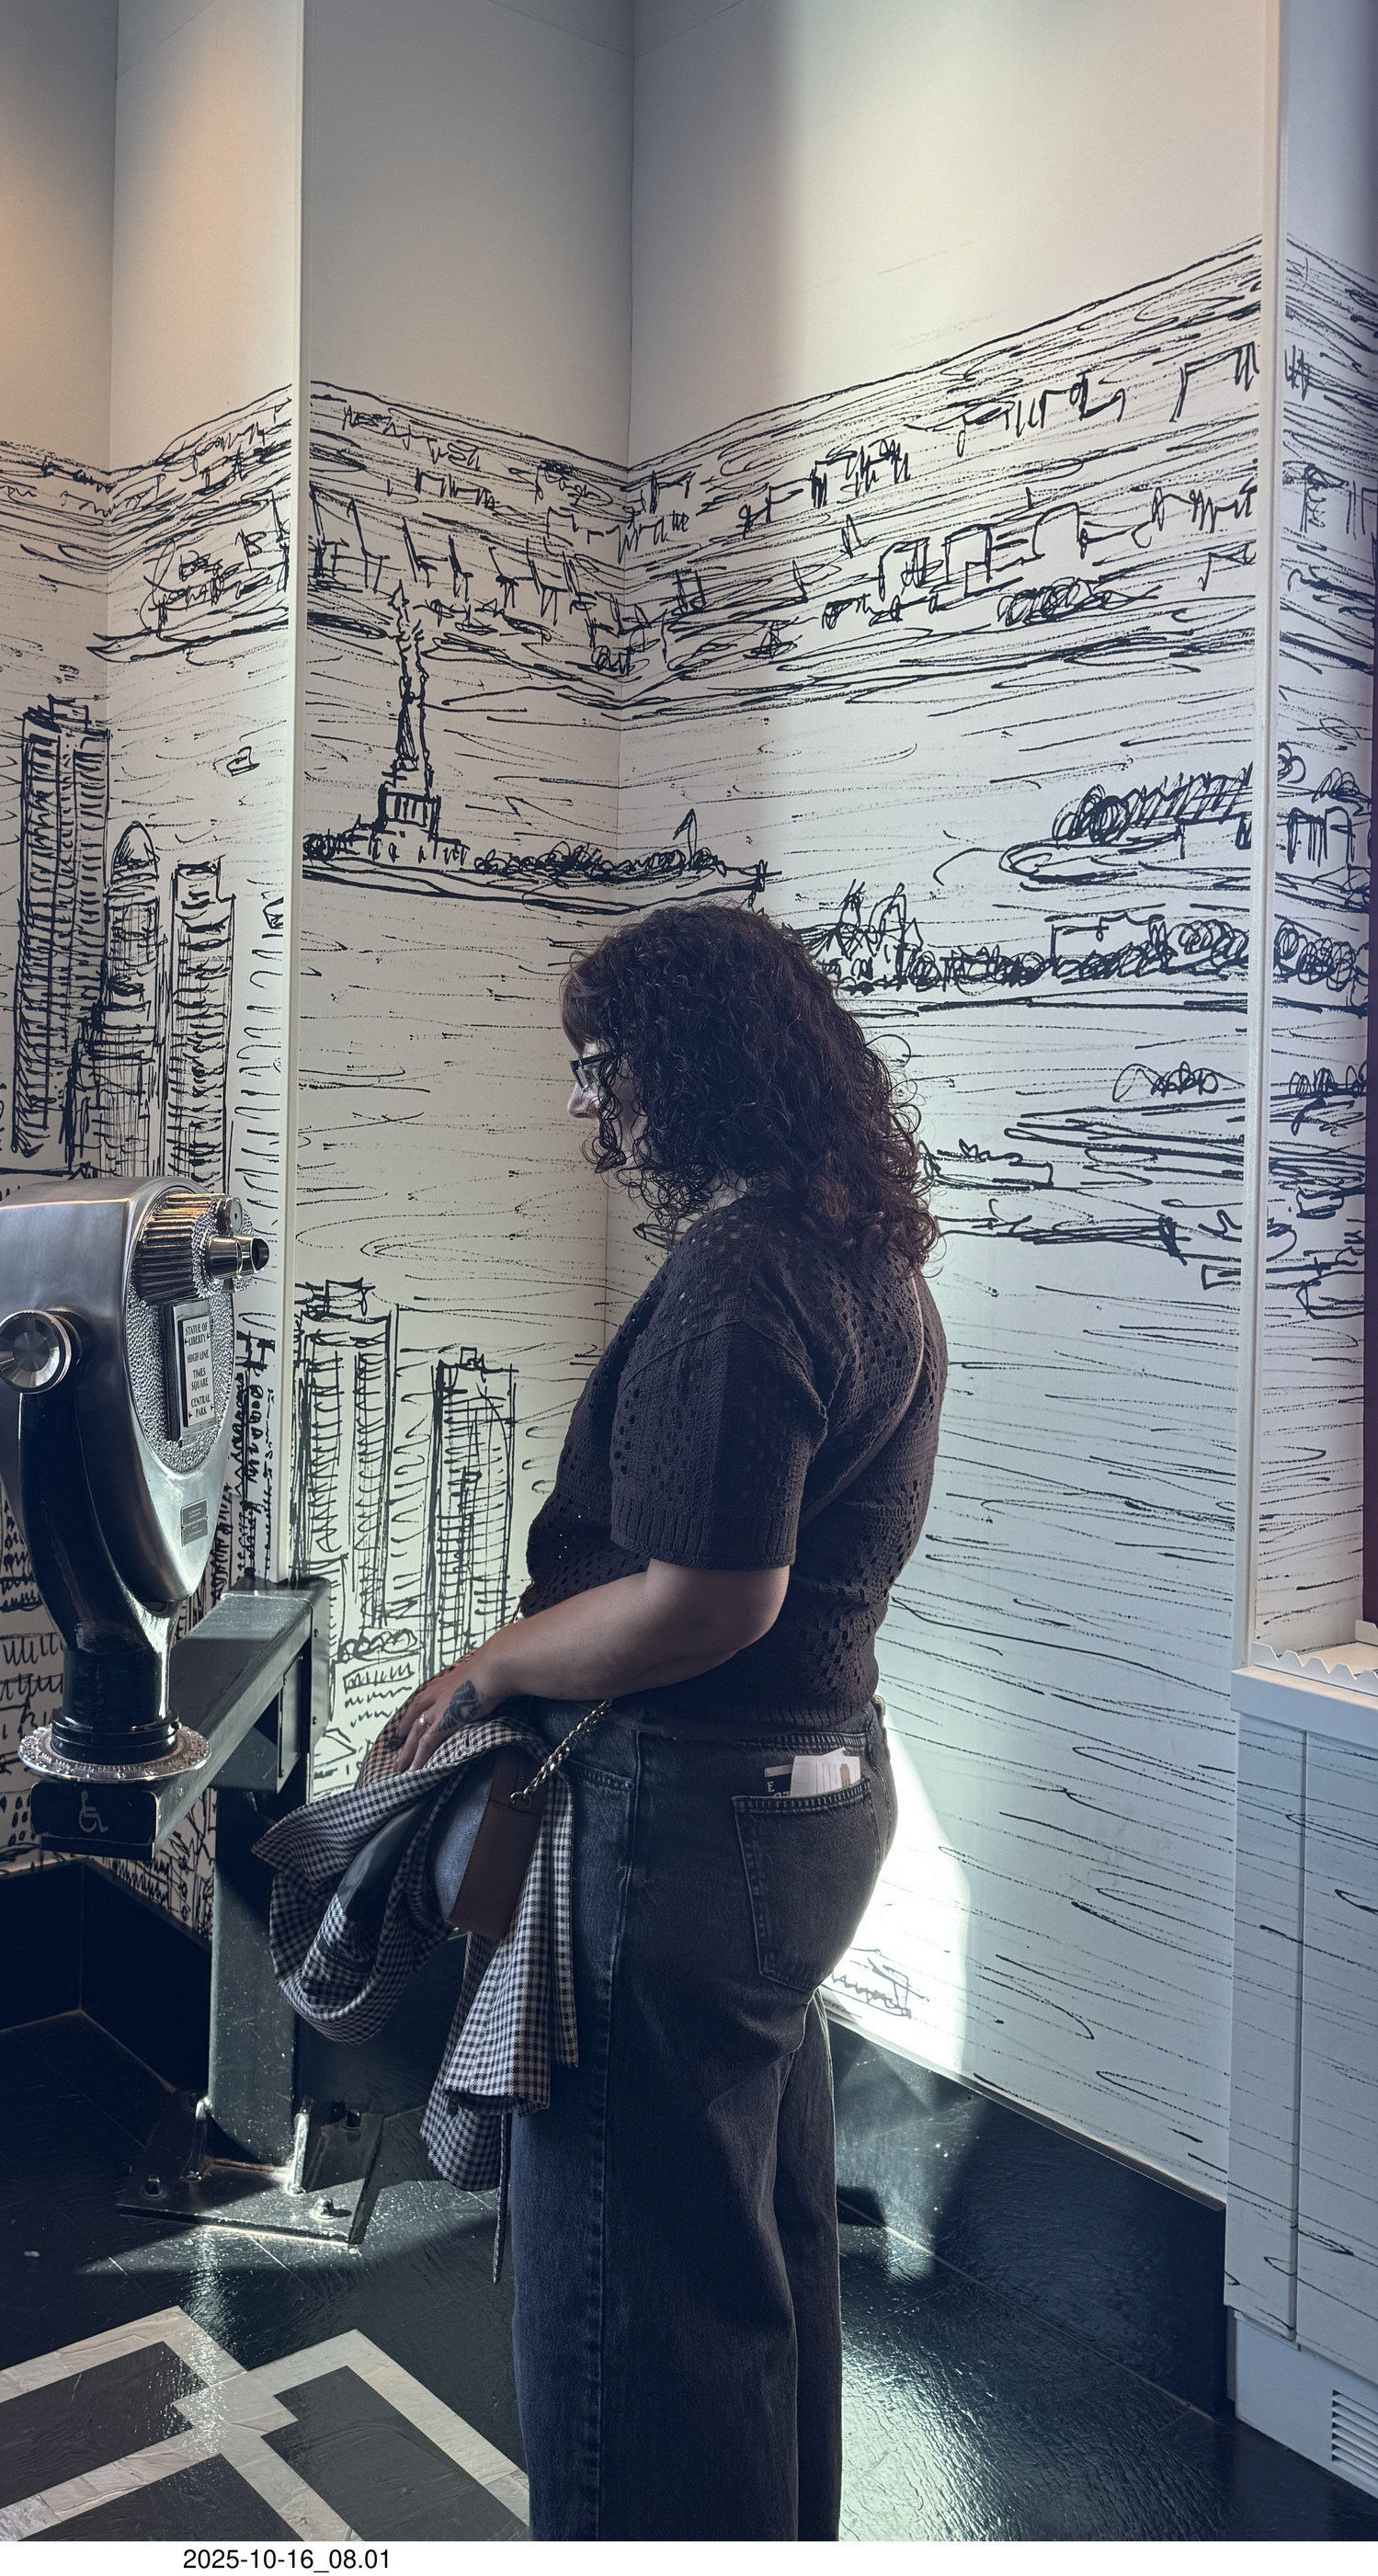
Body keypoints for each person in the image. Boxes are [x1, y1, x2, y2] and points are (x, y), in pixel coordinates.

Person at [387, 900, 945, 2543]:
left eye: (599, 1065)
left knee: (626, 2304)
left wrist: (488, 1669)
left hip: (687, 1831)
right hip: (815, 1801)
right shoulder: (871, 1257)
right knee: (745, 2261)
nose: (584, 1104)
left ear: (686, 1063)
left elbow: (710, 1602)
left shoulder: (739, 1273)